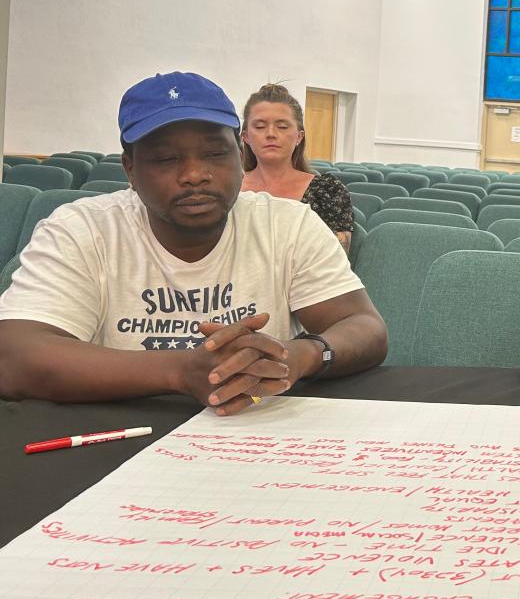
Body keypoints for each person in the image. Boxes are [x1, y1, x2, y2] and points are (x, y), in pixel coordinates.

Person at [0, 71, 388, 416]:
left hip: (257, 428)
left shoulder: (288, 224)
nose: (194, 175)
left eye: (215, 154)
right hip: (116, 430)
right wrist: (182, 370)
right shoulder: (82, 229)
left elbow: (364, 326)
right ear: (130, 169)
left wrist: (299, 355)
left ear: (240, 154)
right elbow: (14, 356)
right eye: (166, 158)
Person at [240, 83, 353, 253]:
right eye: (260, 127)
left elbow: (335, 261)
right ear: (246, 137)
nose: (271, 133)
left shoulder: (327, 191)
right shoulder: (227, 187)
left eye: (283, 127)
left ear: (299, 137)